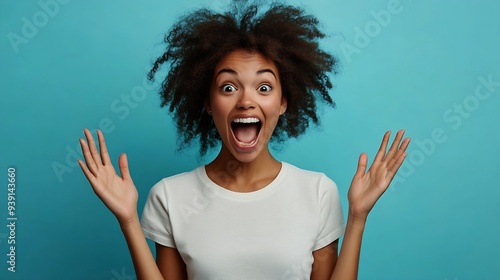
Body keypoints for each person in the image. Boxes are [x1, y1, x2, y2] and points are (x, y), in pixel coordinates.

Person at [78, 1, 410, 279]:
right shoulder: (170, 196)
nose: (246, 101)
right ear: (208, 103)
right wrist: (129, 220)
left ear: (283, 103)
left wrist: (357, 218)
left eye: (263, 87)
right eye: (228, 87)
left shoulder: (318, 192)